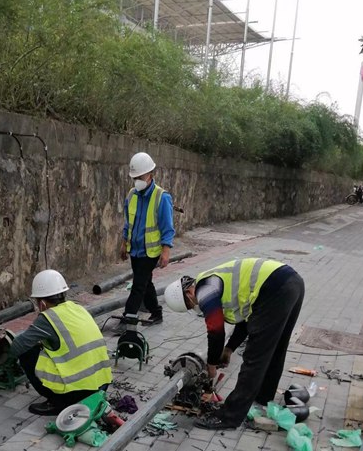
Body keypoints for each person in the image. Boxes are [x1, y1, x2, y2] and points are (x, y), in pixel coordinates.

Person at [164, 258, 305, 430]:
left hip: (275, 289)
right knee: (275, 348)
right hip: (291, 283)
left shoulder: (205, 290)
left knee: (254, 357)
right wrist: (229, 349)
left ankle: (229, 417)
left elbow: (215, 331)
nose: (195, 307)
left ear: (188, 293)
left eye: (190, 305)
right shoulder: (212, 280)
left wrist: (212, 365)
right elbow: (246, 319)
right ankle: (263, 396)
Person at [10, 270, 112, 416]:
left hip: (77, 393)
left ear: (43, 303)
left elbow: (17, 347)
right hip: (101, 385)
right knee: (50, 349)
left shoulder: (47, 318)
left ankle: (57, 402)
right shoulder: (78, 308)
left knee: (27, 353)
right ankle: (67, 395)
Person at [117, 152, 175, 331]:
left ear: (150, 174)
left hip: (151, 252)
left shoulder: (161, 197)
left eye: (140, 176)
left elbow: (167, 227)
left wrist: (166, 251)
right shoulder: (132, 195)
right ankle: (156, 312)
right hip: (135, 250)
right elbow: (128, 222)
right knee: (145, 283)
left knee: (138, 285)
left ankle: (128, 319)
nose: (137, 180)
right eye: (134, 177)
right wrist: (124, 242)